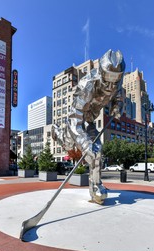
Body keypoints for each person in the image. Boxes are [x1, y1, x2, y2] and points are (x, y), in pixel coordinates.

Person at [52, 49, 125, 204]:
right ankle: (57, 132)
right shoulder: (88, 84)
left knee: (96, 151)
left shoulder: (117, 83)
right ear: (101, 72)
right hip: (78, 120)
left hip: (90, 120)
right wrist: (85, 142)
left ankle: (96, 187)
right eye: (110, 76)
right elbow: (75, 117)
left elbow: (119, 95)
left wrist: (116, 107)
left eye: (116, 78)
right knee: (69, 142)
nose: (112, 82)